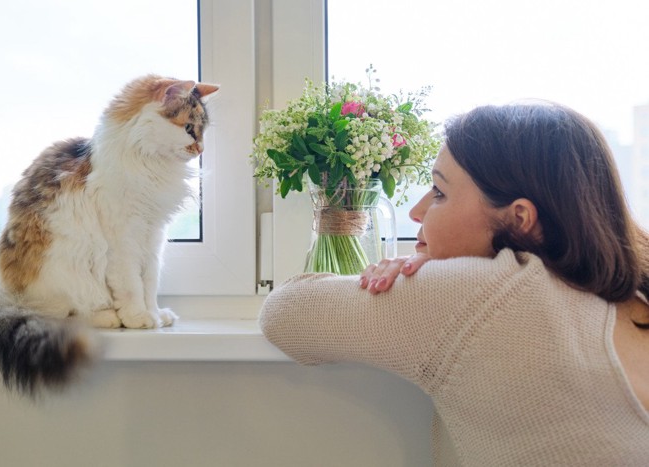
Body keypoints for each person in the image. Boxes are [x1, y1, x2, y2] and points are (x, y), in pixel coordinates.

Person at [259, 102, 649, 466]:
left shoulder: (484, 294)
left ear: (519, 219)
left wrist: (425, 272)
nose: (416, 211)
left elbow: (284, 312)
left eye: (440, 193)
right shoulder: (630, 296)